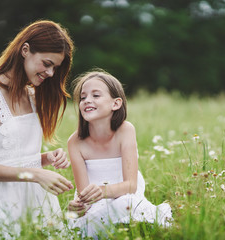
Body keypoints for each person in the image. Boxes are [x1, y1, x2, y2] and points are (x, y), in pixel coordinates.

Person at [0, 20, 75, 240]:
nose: (50, 73)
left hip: (37, 201)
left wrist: (46, 158)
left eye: (55, 68)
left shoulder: (32, 96)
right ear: (25, 50)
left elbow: (16, 158)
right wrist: (36, 174)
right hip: (0, 203)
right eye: (46, 63)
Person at [66, 69, 172, 238]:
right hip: (95, 206)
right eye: (83, 97)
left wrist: (102, 191)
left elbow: (131, 186)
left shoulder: (125, 130)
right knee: (87, 223)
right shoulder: (75, 142)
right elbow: (84, 195)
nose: (87, 101)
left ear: (115, 103)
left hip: (125, 197)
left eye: (96, 95)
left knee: (127, 204)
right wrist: (78, 206)